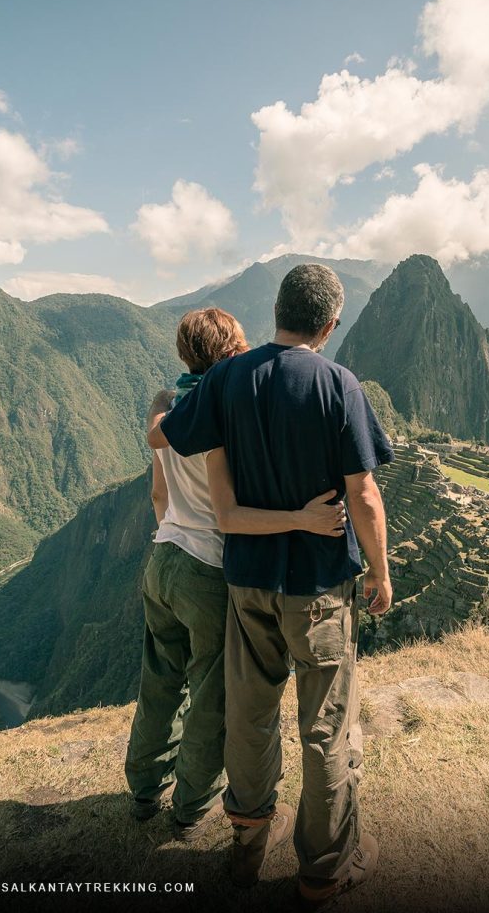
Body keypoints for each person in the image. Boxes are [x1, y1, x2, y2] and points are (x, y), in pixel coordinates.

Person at [149, 264, 394, 901]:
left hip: (247, 584)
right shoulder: (338, 383)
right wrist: (382, 571)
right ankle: (323, 868)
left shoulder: (228, 376)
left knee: (251, 717)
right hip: (317, 588)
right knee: (325, 725)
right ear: (330, 324)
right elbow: (364, 495)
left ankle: (247, 846)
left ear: (277, 312)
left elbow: (167, 436)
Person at [125, 306, 348, 844]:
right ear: (232, 351)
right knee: (210, 696)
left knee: (159, 680)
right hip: (207, 567)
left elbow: (159, 492)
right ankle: (189, 805)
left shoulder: (174, 410)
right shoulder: (228, 409)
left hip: (164, 557)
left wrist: (173, 539)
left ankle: (142, 789)